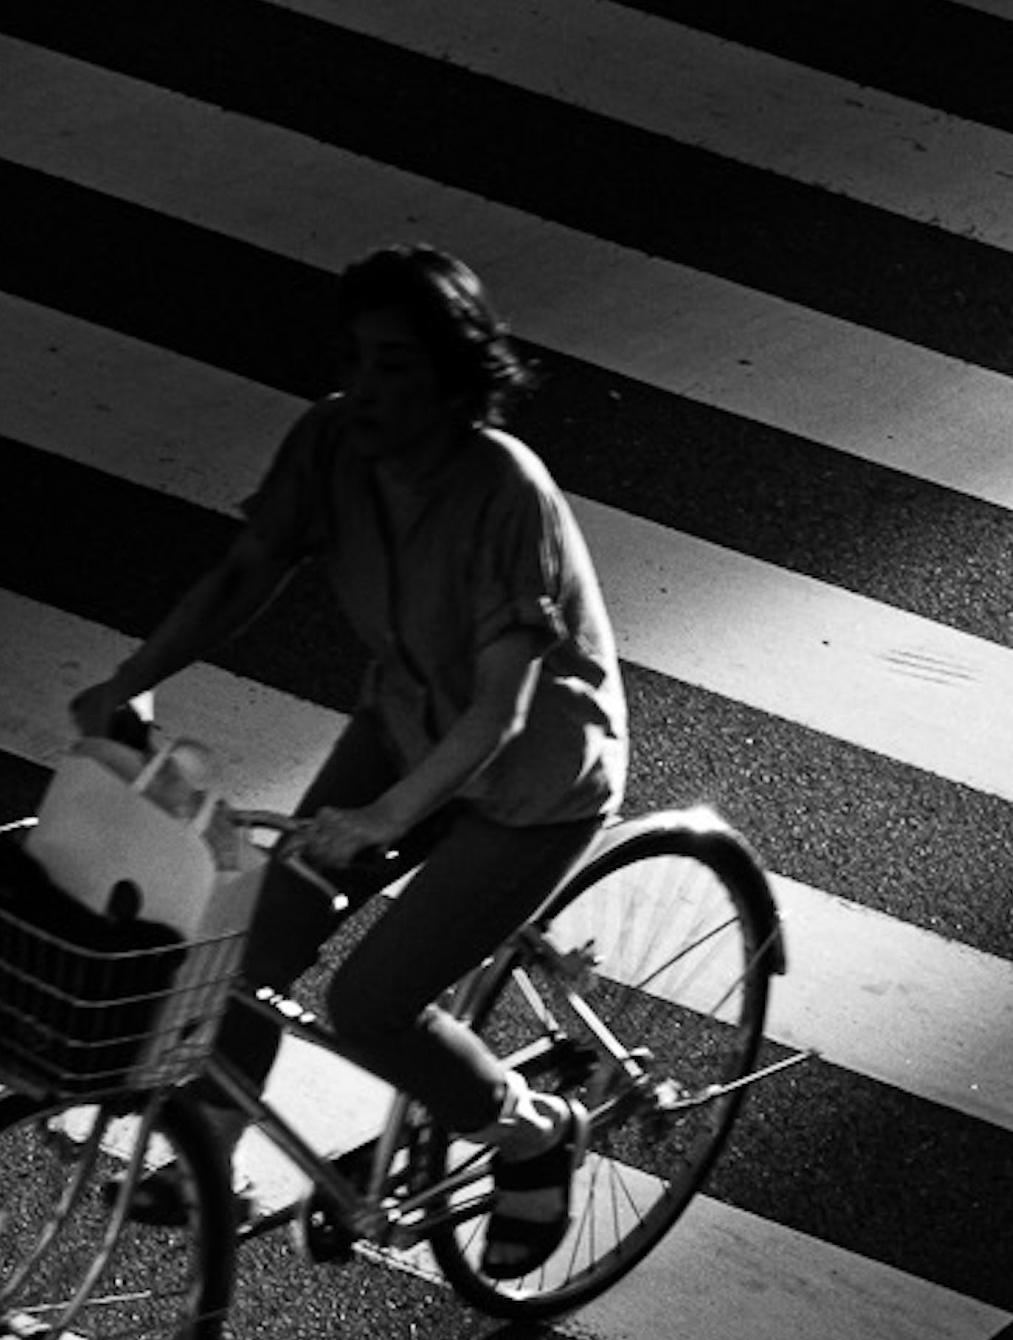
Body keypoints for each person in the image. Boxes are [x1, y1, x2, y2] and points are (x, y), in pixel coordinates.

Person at [68, 246, 628, 1269]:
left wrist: (380, 821)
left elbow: (499, 713)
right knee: (240, 946)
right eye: (359, 361)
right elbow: (247, 571)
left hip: (525, 786)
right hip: (405, 722)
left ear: (459, 382)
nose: (366, 390)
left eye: (397, 369)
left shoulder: (506, 495)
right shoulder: (332, 442)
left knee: (369, 1006)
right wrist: (131, 678)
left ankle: (534, 1133)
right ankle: (211, 1163)